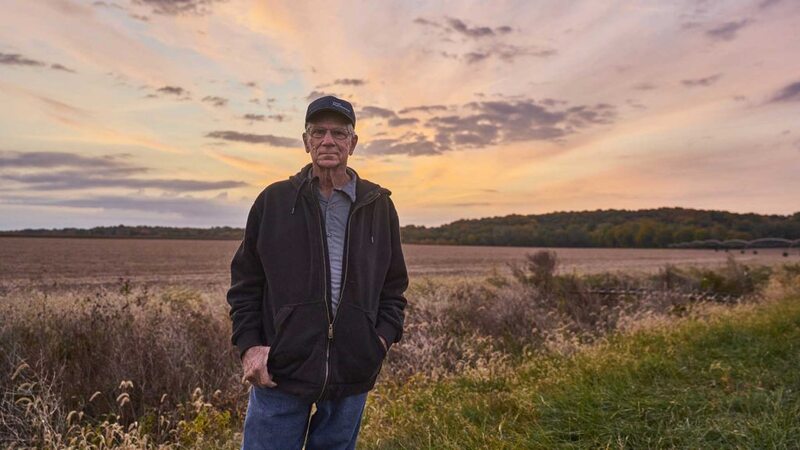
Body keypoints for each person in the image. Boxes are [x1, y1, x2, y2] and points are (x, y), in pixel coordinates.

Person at [227, 95, 408, 450]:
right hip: (281, 373)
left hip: (351, 373)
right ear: (306, 140)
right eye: (319, 132)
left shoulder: (378, 205)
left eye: (339, 133)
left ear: (352, 143)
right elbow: (246, 284)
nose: (328, 141)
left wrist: (378, 343)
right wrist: (249, 347)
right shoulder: (274, 202)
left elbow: (394, 287)